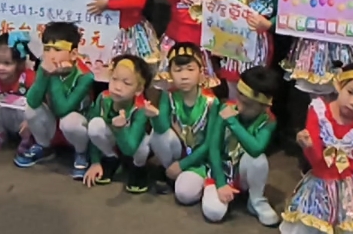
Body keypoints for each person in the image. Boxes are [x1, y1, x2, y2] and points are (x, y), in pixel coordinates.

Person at [282, 64, 353, 234]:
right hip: (321, 186)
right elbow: (318, 163)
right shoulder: (319, 111)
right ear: (339, 85)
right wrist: (308, 147)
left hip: (352, 192)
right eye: (350, 92)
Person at [207, 65, 281, 225]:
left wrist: (233, 123)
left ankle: (256, 200)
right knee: (214, 212)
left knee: (258, 160)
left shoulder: (268, 120)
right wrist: (220, 183)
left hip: (244, 171)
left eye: (248, 105)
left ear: (264, 106)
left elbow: (256, 149)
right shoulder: (226, 108)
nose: (240, 106)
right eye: (239, 98)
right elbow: (213, 148)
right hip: (221, 170)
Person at [18, 22, 94, 175]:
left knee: (69, 121)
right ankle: (44, 147)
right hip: (53, 124)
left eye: (58, 50)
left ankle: (81, 153)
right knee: (31, 109)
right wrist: (43, 74)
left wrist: (54, 76)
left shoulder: (86, 76)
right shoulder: (45, 66)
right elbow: (32, 101)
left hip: (77, 127)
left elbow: (63, 109)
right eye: (47, 49)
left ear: (73, 54)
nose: (50, 55)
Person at [149, 43, 219, 200]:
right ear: (170, 73)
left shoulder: (211, 102)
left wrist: (183, 165)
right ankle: (169, 171)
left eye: (190, 69)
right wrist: (154, 116)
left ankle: (192, 177)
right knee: (157, 136)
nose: (184, 76)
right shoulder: (169, 96)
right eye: (178, 70)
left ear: (200, 71)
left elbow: (210, 143)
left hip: (200, 159)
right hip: (178, 151)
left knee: (184, 195)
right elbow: (162, 130)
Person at [81, 54, 153, 192]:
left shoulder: (141, 109)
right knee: (95, 124)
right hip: (116, 141)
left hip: (133, 145)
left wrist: (120, 129)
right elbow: (92, 131)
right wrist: (95, 162)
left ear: (139, 89)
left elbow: (130, 148)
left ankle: (138, 167)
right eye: (114, 79)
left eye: (127, 83)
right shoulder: (103, 98)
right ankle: (110, 158)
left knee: (144, 145)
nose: (118, 87)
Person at [0, 31, 36, 154]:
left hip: (25, 124)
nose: (0, 67)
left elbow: (40, 104)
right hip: (5, 123)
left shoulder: (29, 77)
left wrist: (31, 123)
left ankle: (28, 139)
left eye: (7, 63)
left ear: (19, 63)